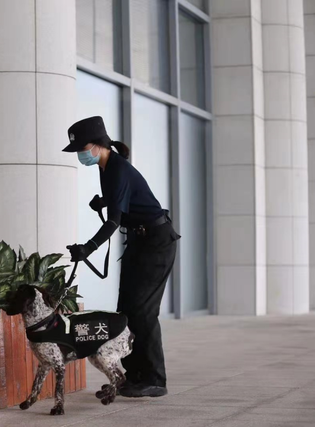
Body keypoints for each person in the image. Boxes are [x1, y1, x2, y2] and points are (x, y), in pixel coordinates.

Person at [63, 116, 180, 398]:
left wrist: (88, 248)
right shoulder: (106, 166)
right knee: (126, 311)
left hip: (156, 242)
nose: (81, 154)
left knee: (143, 312)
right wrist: (103, 201)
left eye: (82, 148)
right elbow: (125, 199)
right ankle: (134, 375)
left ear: (97, 145)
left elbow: (113, 222)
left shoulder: (116, 168)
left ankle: (155, 379)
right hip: (140, 241)